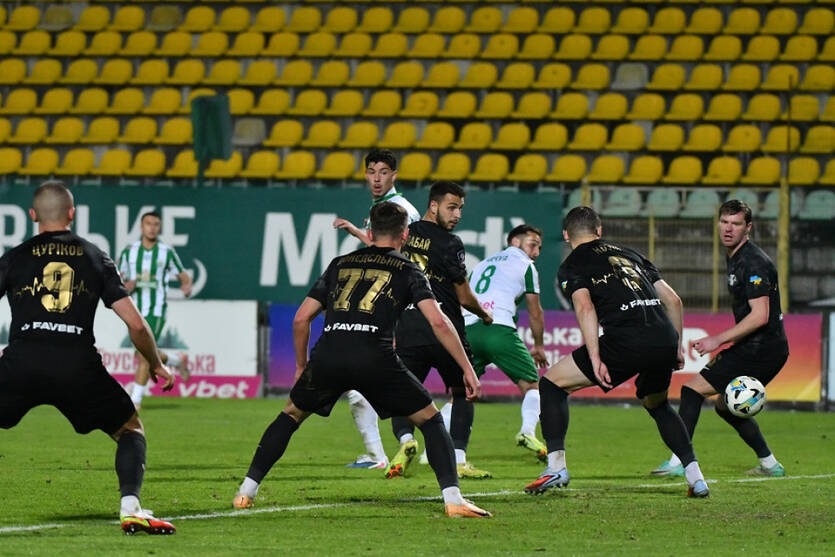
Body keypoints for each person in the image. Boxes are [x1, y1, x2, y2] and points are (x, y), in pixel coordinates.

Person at [232, 202, 491, 519]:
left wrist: (301, 367)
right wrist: (466, 368)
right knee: (431, 421)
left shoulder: (339, 264)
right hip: (375, 357)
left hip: (329, 354)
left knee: (290, 415)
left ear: (370, 232)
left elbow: (301, 319)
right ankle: (453, 500)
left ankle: (245, 492)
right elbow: (439, 322)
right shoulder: (408, 269)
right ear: (405, 236)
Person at [0, 181, 177, 534]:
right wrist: (156, 363)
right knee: (130, 428)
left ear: (33, 215)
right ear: (72, 214)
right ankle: (131, 508)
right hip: (76, 366)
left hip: (21, 362)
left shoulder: (14, 257)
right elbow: (136, 325)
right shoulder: (95, 256)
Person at [524, 206, 708, 498]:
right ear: (599, 231)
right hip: (663, 336)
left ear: (566, 235)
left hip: (626, 339)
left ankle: (556, 467)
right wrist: (674, 346)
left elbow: (585, 308)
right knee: (658, 404)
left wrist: (595, 357)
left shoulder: (572, 264)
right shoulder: (631, 254)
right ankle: (696, 478)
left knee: (551, 384)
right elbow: (674, 300)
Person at [652, 199, 789, 478]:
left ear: (748, 228)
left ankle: (679, 462)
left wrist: (718, 340)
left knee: (692, 391)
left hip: (762, 349)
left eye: (736, 223)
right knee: (726, 407)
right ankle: (770, 464)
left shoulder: (753, 262)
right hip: (758, 347)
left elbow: (760, 316)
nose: (728, 228)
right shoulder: (737, 257)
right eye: (724, 221)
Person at [387, 181, 494, 480]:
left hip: (409, 328)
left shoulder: (404, 235)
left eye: (460, 208)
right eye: (452, 207)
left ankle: (406, 440)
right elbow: (464, 296)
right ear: (433, 206)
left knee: (402, 393)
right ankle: (458, 459)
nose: (457, 214)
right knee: (463, 392)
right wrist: (483, 314)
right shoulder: (450, 243)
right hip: (445, 329)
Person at [331, 149, 421, 470]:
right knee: (369, 381)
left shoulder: (401, 209)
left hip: (402, 304)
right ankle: (399, 447)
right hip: (395, 301)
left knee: (370, 380)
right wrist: (357, 232)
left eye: (383, 172)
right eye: (372, 172)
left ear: (394, 175)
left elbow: (407, 255)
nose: (377, 178)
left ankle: (395, 449)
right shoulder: (383, 208)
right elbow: (385, 248)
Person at [463, 224, 550, 461]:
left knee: (462, 394)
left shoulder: (481, 265)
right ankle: (527, 432)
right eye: (533, 245)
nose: (536, 252)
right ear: (515, 242)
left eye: (540, 248)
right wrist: (539, 346)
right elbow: (535, 311)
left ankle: (433, 452)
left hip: (468, 330)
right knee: (531, 385)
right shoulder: (526, 265)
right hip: (498, 329)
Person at [117, 211, 192, 410]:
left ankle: (135, 401)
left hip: (156, 310)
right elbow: (117, 279)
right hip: (134, 309)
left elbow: (184, 276)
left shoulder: (166, 252)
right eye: (148, 223)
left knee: (143, 355)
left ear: (159, 228)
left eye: (156, 224)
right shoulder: (129, 252)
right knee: (143, 352)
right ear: (141, 227)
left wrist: (186, 287)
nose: (152, 227)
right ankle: (176, 360)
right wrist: (126, 285)